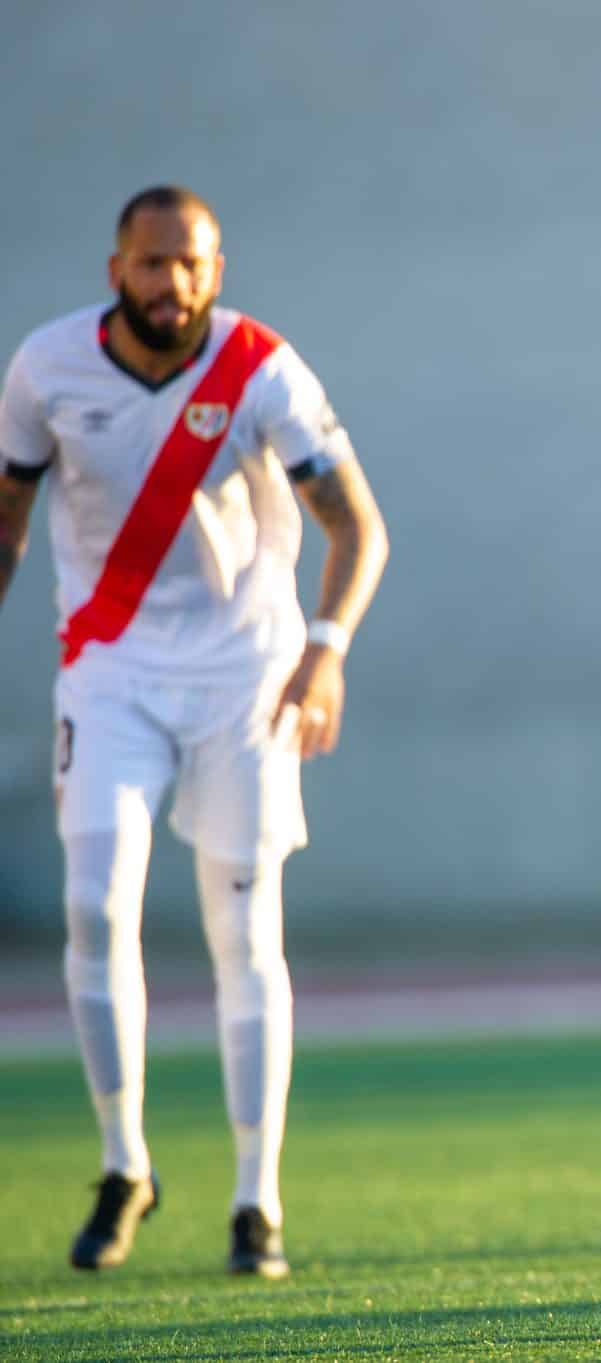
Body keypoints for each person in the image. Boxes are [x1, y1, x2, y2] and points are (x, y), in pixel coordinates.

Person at [0, 185, 390, 1278]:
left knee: (243, 934)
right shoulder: (44, 369)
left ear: (216, 271)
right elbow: (10, 521)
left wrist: (325, 647)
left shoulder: (261, 366)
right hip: (110, 669)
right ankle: (125, 1163)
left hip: (245, 675)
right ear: (114, 267)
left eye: (192, 263)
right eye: (151, 262)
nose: (172, 282)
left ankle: (256, 1198)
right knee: (93, 903)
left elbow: (356, 524)